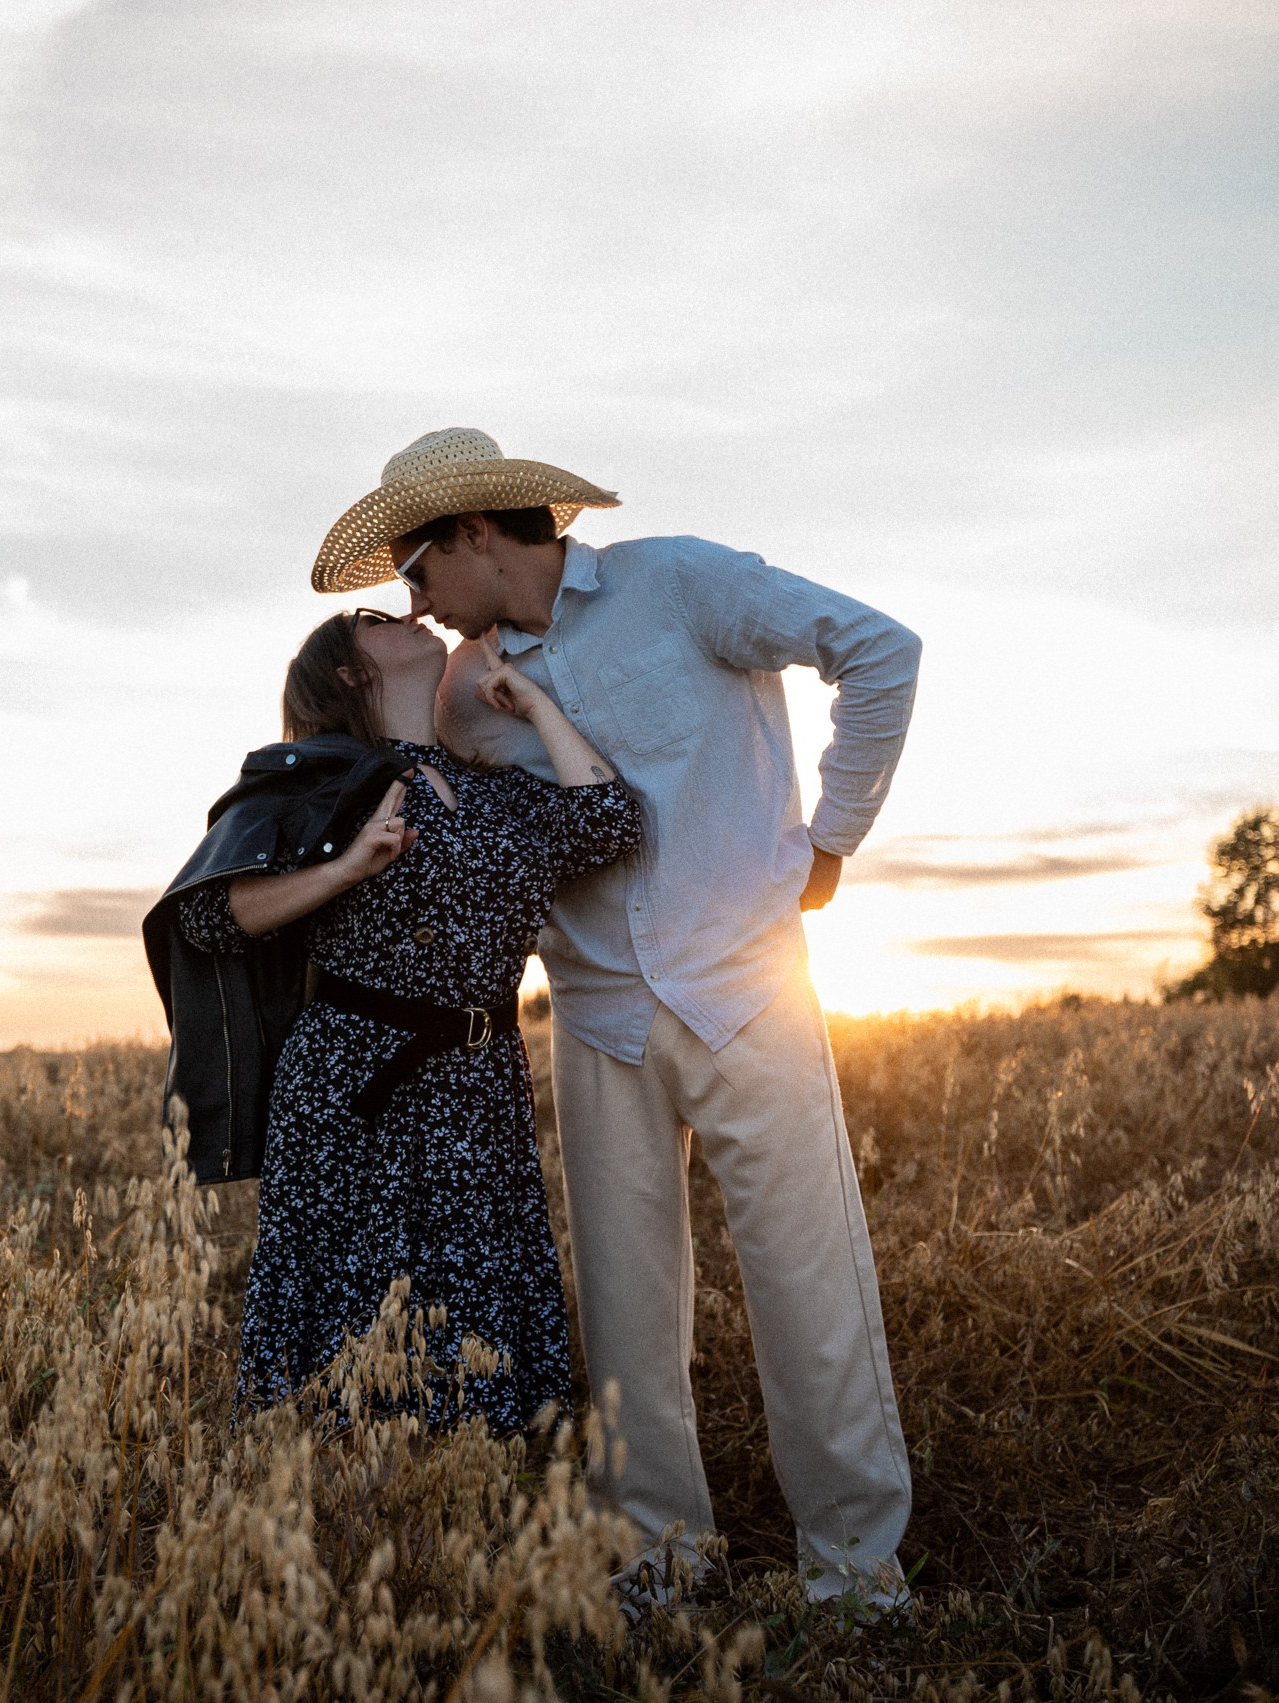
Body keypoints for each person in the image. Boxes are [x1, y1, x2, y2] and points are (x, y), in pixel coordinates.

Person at [311, 427, 922, 1605]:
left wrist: (830, 841)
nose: (415, 598)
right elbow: (434, 816)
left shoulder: (679, 582)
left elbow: (878, 648)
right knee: (628, 1321)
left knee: (810, 1288)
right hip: (594, 1013)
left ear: (477, 532)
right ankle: (659, 1562)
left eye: (417, 566)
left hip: (749, 990)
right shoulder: (453, 693)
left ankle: (854, 1579)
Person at [143, 606, 642, 1431]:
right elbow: (211, 916)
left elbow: (608, 822)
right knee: (356, 1323)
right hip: (352, 1087)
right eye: (375, 620)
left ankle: (460, 1512)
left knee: (470, 1315)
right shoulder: (317, 780)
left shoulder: (491, 788)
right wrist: (346, 867)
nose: (409, 614)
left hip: (480, 1087)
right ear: (348, 672)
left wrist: (535, 705)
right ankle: (344, 1519)